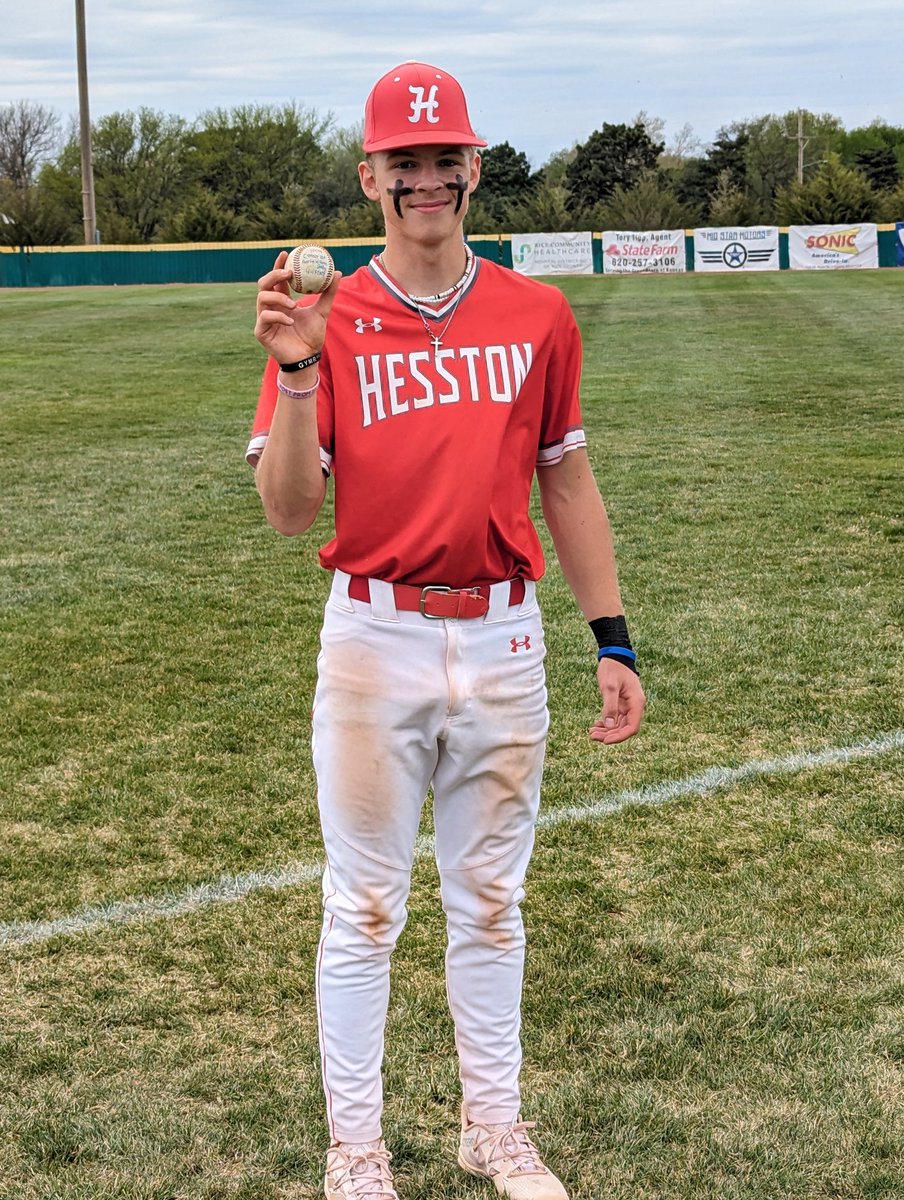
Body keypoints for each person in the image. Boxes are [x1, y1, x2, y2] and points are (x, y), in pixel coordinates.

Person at [247, 60, 645, 1200]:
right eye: (403, 161)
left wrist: (609, 637)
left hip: (507, 640)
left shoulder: (536, 313)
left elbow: (566, 482)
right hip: (373, 640)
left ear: (472, 168)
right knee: (363, 906)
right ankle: (356, 1151)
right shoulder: (326, 313)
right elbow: (286, 513)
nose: (425, 178)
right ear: (371, 176)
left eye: (443, 158)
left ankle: (494, 1128)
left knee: (489, 901)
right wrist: (301, 371)